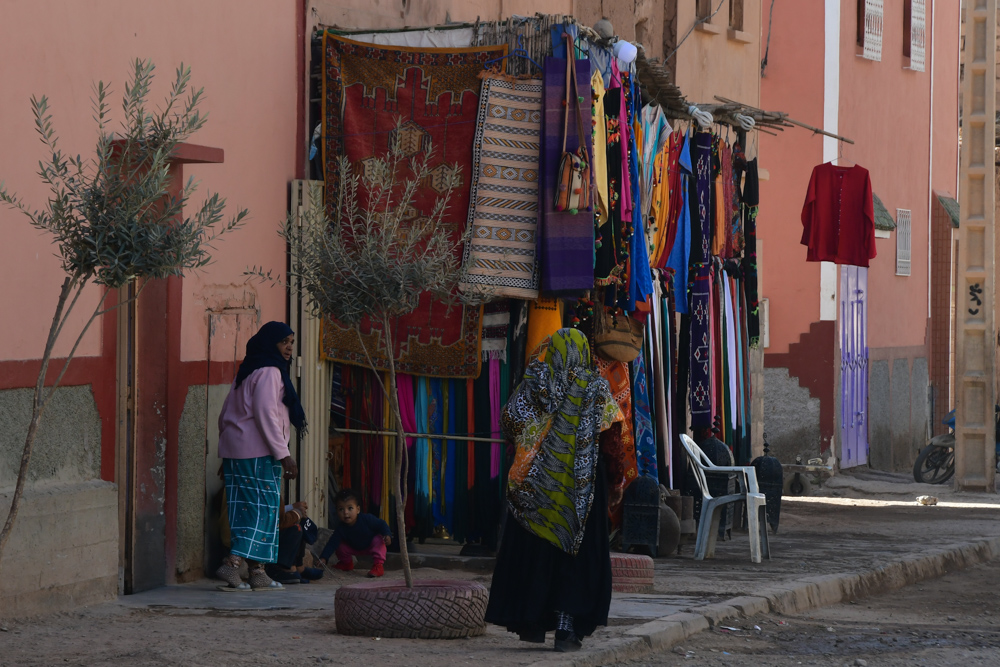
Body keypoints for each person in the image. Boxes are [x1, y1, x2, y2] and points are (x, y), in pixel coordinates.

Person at [484, 328, 627, 653]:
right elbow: (611, 442)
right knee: (574, 560)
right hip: (582, 492)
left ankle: (532, 621)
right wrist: (616, 483)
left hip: (535, 491)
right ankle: (566, 627)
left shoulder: (535, 382)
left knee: (537, 557)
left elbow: (510, 422)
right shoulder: (595, 387)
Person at [214, 321, 307, 592]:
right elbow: (266, 414)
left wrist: (227, 454)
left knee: (244, 508)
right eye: (283, 342)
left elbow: (225, 414)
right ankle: (232, 564)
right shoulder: (268, 372)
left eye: (291, 341)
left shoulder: (248, 371)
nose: (289, 347)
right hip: (257, 452)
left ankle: (257, 572)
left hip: (238, 450)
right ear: (270, 344)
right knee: (261, 510)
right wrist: (284, 454)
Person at [318, 489, 393, 578]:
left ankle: (378, 566)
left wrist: (387, 535)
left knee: (379, 540)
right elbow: (331, 544)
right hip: (354, 548)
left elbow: (382, 524)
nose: (345, 512)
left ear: (358, 509)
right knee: (339, 545)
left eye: (350, 508)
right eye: (341, 509)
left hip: (370, 545)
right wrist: (324, 558)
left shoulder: (367, 519)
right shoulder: (341, 528)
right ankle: (347, 564)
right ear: (337, 512)